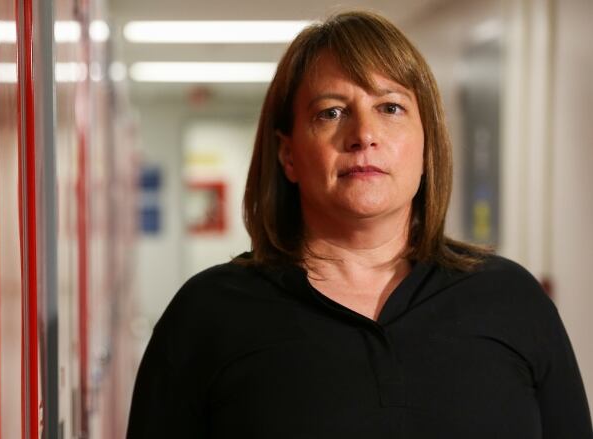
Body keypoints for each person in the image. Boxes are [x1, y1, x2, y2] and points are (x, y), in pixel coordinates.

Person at [126, 10, 593, 438]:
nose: (363, 135)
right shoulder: (207, 314)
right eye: (331, 112)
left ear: (427, 144)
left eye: (390, 107)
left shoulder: (511, 299)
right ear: (288, 154)